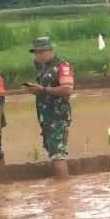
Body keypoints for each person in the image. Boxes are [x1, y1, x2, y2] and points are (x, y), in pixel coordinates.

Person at [24, 36, 75, 178]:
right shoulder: (44, 69)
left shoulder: (62, 66)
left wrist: (43, 90)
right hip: (47, 119)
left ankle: (63, 189)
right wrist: (39, 90)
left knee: (58, 156)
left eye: (41, 52)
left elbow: (67, 89)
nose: (37, 56)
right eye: (36, 53)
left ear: (50, 50)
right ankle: (61, 188)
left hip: (57, 118)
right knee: (54, 155)